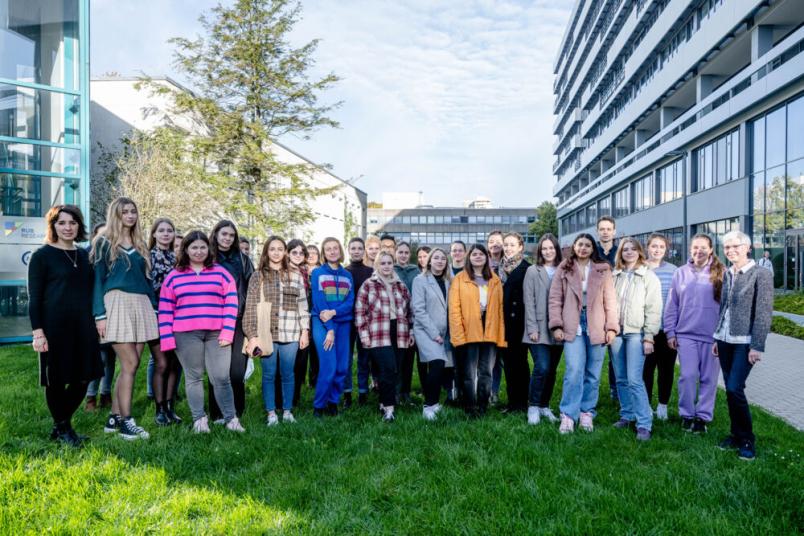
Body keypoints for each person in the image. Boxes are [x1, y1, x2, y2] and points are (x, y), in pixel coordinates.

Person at [158, 231, 245, 433]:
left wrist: (227, 332)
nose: (198, 251)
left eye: (202, 247)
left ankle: (231, 419)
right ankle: (199, 419)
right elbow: (165, 309)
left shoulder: (221, 273)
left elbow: (231, 303)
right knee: (194, 376)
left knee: (221, 377)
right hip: (186, 334)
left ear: (209, 249)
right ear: (186, 249)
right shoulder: (174, 276)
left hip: (217, 333)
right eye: (194, 247)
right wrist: (168, 339)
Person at [29, 205, 101, 447]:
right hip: (53, 327)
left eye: (72, 223)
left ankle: (60, 425)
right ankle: (64, 428)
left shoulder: (84, 255)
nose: (68, 227)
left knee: (84, 377)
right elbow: (34, 298)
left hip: (83, 326)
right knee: (56, 380)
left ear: (79, 226)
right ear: (53, 226)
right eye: (62, 223)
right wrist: (38, 332)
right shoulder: (41, 256)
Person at [93, 197, 162, 440]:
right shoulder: (103, 243)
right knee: (130, 363)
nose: (130, 216)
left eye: (133, 211)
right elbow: (97, 281)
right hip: (116, 303)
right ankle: (127, 422)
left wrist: (153, 308)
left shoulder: (141, 243)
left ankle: (113, 418)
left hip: (142, 304)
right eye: (125, 212)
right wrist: (99, 315)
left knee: (130, 366)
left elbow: (147, 282)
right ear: (116, 214)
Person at [549, 233, 618, 434]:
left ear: (592, 248)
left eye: (588, 245)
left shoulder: (603, 270)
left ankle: (587, 412)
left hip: (596, 324)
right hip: (573, 323)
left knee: (593, 373)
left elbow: (611, 301)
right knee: (574, 370)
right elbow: (555, 299)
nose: (583, 248)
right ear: (574, 247)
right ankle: (568, 414)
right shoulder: (564, 268)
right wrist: (557, 326)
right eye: (580, 244)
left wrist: (612, 327)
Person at [713, 231, 773, 461]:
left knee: (734, 388)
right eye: (727, 247)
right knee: (731, 389)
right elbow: (723, 308)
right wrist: (716, 336)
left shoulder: (761, 274)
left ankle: (747, 439)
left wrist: (757, 346)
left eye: (735, 246)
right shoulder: (728, 273)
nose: (730, 250)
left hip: (745, 342)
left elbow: (763, 313)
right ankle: (735, 435)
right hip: (724, 339)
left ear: (748, 247)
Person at [244, 236, 310, 426]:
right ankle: (271, 413)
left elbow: (302, 305)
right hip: (267, 333)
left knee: (288, 373)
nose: (276, 252)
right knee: (269, 374)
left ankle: (287, 411)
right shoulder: (258, 276)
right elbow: (250, 307)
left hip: (291, 332)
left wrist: (304, 331)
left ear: (285, 252)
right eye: (272, 249)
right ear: (266, 252)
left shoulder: (295, 276)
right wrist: (252, 335)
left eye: (280, 249)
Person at [664, 234, 725, 434]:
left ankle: (702, 417)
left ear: (710, 249)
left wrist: (722, 335)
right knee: (688, 375)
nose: (698, 251)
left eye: (703, 248)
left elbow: (726, 306)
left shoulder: (721, 273)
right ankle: (687, 414)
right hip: (685, 334)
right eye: (695, 248)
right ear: (690, 250)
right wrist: (670, 332)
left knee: (709, 379)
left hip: (712, 336)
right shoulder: (680, 273)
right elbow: (672, 305)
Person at [610, 238, 662, 441]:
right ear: (621, 253)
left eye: (633, 249)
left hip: (636, 333)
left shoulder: (648, 277)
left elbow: (654, 309)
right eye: (625, 249)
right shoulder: (615, 275)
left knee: (634, 379)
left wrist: (649, 337)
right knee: (620, 378)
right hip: (616, 333)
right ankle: (627, 415)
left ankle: (644, 423)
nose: (629, 252)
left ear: (640, 252)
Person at [448, 243, 506, 417]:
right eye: (474, 254)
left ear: (486, 257)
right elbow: (454, 308)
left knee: (486, 371)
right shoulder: (460, 279)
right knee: (468, 372)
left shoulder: (495, 280)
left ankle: (482, 405)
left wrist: (500, 335)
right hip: (469, 331)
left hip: (490, 331)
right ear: (469, 257)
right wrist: (458, 334)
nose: (478, 257)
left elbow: (500, 308)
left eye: (481, 254)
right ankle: (470, 406)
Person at [355, 252, 413, 422]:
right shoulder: (369, 285)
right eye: (383, 263)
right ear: (377, 265)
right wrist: (364, 335)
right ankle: (389, 408)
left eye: (389, 263)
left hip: (399, 332)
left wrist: (411, 332)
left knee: (393, 371)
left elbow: (410, 311)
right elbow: (360, 311)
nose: (387, 266)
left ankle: (382, 401)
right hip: (379, 333)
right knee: (388, 368)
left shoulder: (400, 286)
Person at [208, 220, 254, 423]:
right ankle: (217, 412)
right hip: (213, 320)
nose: (227, 238)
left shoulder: (243, 260)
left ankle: (236, 411)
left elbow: (252, 289)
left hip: (238, 319)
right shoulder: (207, 258)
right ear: (216, 234)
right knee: (217, 370)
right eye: (223, 234)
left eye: (231, 235)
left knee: (236, 370)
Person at [310, 237, 355, 417]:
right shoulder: (317, 273)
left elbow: (350, 302)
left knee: (342, 367)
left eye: (335, 248)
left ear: (340, 250)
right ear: (324, 252)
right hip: (322, 323)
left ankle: (333, 402)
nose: (332, 251)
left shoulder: (347, 275)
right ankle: (319, 406)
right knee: (328, 366)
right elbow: (319, 303)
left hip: (343, 322)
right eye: (328, 249)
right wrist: (329, 328)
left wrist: (334, 313)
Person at [523, 234, 563, 425]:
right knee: (542, 366)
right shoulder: (533, 270)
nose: (548, 252)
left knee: (552, 370)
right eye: (544, 248)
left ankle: (545, 406)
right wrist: (532, 327)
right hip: (537, 328)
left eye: (551, 248)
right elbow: (528, 301)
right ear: (540, 251)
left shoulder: (564, 269)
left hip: (558, 327)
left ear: (557, 249)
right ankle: (533, 406)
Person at [147, 217, 181, 425]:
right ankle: (159, 408)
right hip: (156, 315)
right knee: (161, 363)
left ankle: (170, 407)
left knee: (175, 364)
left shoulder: (178, 260)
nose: (166, 234)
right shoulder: (148, 258)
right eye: (162, 230)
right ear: (154, 234)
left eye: (170, 230)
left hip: (178, 316)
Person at [412, 248, 452, 420]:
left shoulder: (450, 281)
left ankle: (435, 403)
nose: (440, 261)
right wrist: (434, 333)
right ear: (429, 261)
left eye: (443, 258)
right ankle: (428, 406)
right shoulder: (420, 280)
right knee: (436, 363)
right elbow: (418, 310)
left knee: (441, 367)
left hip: (445, 332)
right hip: (426, 330)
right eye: (436, 258)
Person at [643, 233, 678, 420]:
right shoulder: (641, 268)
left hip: (668, 329)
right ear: (647, 247)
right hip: (647, 329)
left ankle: (663, 405)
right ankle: (646, 405)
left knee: (666, 369)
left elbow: (679, 299)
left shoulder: (674, 271)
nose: (657, 250)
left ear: (666, 250)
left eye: (661, 247)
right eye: (654, 246)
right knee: (646, 369)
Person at [85, 222, 115, 412]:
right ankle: (90, 396)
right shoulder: (87, 256)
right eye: (101, 235)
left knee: (110, 356)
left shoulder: (114, 255)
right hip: (93, 311)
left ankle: (106, 393)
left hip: (113, 309)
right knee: (97, 357)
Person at [499, 232, 530, 413]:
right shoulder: (498, 269)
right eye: (506, 244)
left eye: (512, 245)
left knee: (520, 363)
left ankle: (522, 402)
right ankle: (512, 403)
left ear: (520, 247)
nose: (508, 248)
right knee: (509, 364)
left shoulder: (527, 268)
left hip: (520, 322)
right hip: (503, 323)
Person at [287, 239, 318, 406]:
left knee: (301, 361)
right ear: (288, 253)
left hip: (304, 319)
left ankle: (295, 397)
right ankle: (281, 397)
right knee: (286, 362)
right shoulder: (282, 270)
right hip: (286, 322)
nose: (298, 256)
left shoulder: (307, 272)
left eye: (301, 253)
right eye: (294, 252)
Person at [345, 237, 374, 406]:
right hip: (347, 321)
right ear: (348, 250)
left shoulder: (371, 272)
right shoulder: (343, 271)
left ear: (364, 251)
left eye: (359, 248)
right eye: (353, 248)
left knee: (364, 358)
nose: (356, 251)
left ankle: (363, 393)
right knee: (346, 359)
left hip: (366, 321)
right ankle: (347, 394)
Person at [595, 215, 619, 402]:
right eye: (602, 229)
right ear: (598, 231)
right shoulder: (591, 251)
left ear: (614, 231)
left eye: (608, 229)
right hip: (595, 307)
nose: (605, 232)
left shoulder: (620, 253)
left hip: (616, 305)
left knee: (616, 353)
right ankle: (591, 389)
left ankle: (615, 388)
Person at [395, 241, 422, 404]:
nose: (403, 255)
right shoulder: (391, 269)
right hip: (396, 320)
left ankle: (406, 392)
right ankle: (396, 392)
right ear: (396, 253)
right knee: (398, 359)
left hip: (412, 319)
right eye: (400, 252)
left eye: (406, 252)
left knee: (408, 359)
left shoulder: (416, 271)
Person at [486, 231, 505, 404]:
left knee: (502, 358)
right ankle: (489, 391)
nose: (495, 244)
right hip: (488, 316)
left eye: (498, 241)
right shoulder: (483, 263)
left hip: (507, 315)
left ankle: (496, 391)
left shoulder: (509, 263)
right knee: (490, 356)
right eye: (491, 241)